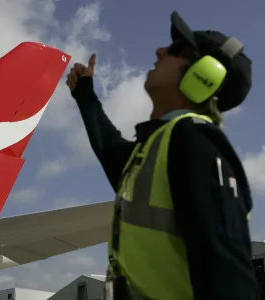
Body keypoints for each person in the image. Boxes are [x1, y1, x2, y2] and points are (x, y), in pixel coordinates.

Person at [66, 11, 259, 300]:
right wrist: (85, 94)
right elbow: (109, 148)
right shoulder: (159, 146)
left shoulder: (196, 142)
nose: (159, 50)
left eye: (177, 49)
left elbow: (230, 280)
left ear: (205, 76)